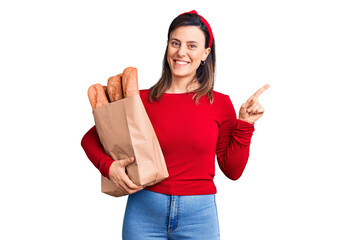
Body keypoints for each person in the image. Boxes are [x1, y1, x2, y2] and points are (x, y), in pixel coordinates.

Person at [81, 10, 269, 240]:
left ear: (205, 53)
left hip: (199, 217)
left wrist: (245, 125)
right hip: (143, 213)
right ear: (167, 46)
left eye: (192, 45)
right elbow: (90, 138)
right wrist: (108, 167)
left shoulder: (219, 103)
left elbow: (232, 170)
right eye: (175, 43)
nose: (181, 52)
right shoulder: (138, 101)